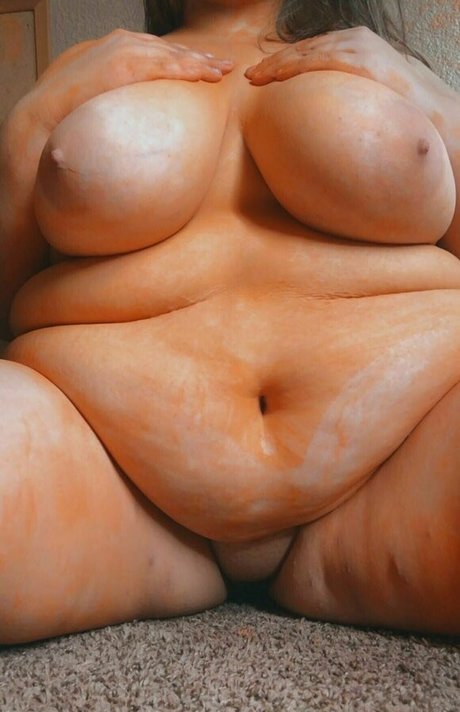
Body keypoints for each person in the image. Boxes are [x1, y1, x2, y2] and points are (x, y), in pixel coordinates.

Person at [0, 0, 459, 645]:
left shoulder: (380, 64)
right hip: (110, 472)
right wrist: (30, 122)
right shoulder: (97, 64)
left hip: (404, 458)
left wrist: (436, 102)